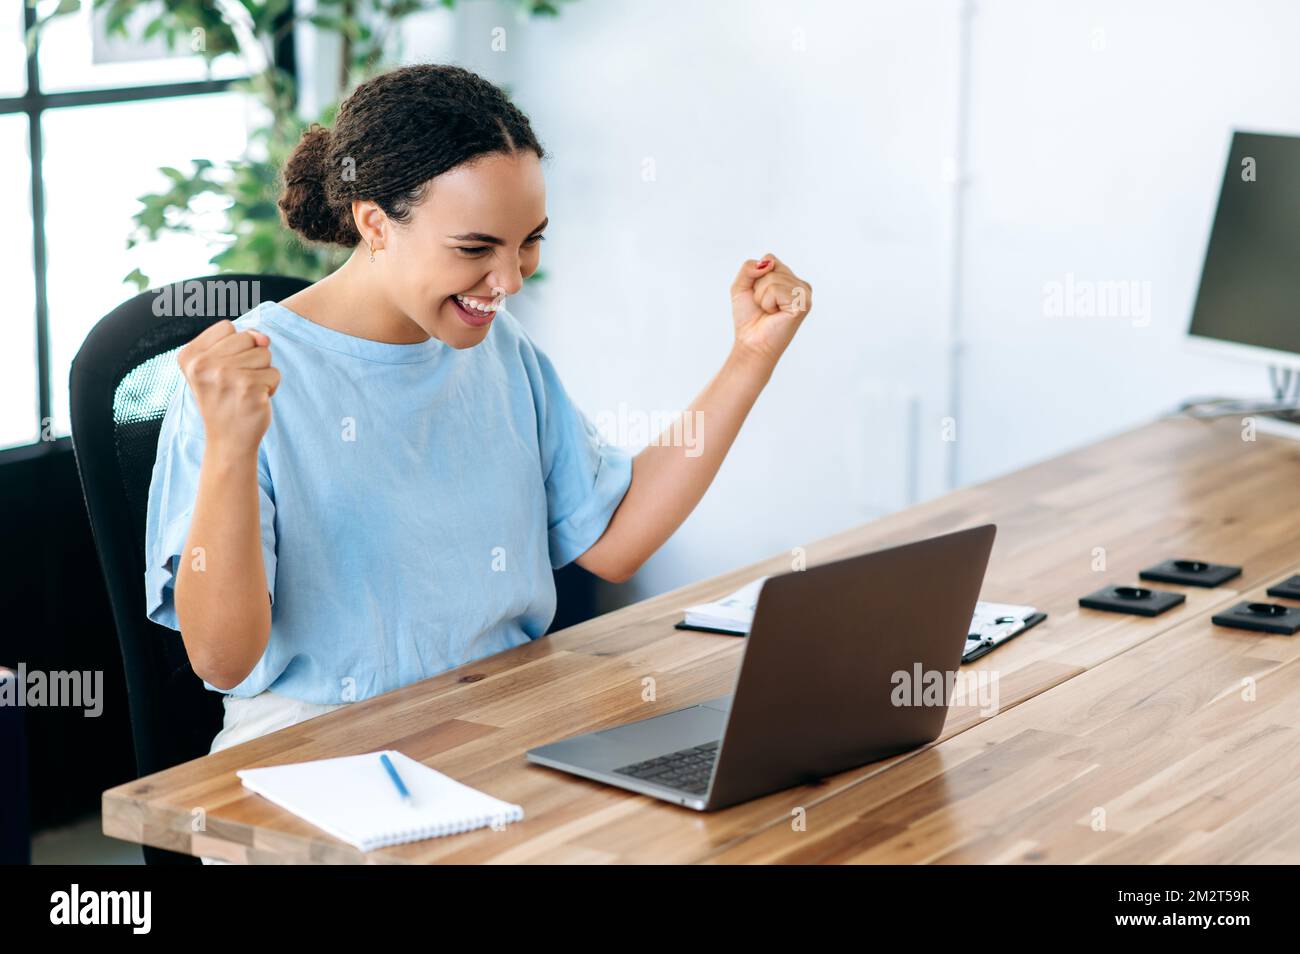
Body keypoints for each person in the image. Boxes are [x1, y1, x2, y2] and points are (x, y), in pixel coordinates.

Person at [142, 63, 813, 861]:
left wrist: (750, 356)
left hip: (505, 740)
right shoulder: (247, 379)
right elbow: (222, 658)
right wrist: (230, 448)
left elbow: (615, 537)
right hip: (323, 781)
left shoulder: (498, 351)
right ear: (375, 223)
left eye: (529, 244)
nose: (509, 281)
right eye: (475, 248)